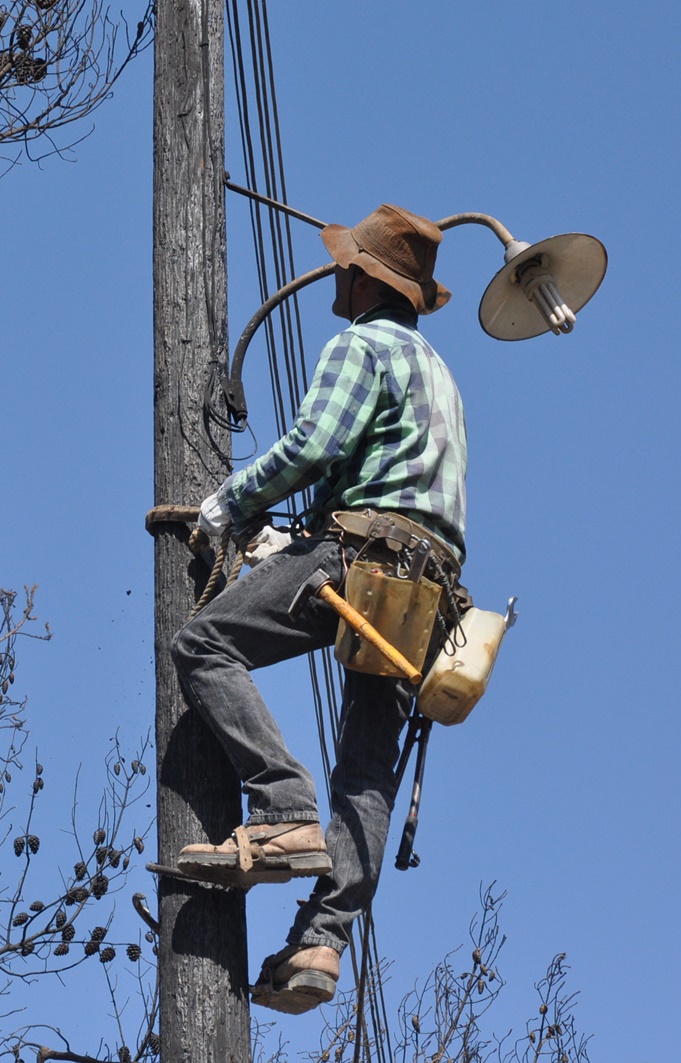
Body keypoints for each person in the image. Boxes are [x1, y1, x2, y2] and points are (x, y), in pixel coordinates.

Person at [170, 204, 468, 1014]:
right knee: (368, 768)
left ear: (364, 278)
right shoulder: (440, 373)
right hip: (432, 591)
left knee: (203, 644)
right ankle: (320, 942)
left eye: (347, 266)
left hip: (362, 556)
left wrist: (227, 507)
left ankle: (282, 807)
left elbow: (315, 448)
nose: (337, 275)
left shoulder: (361, 344)